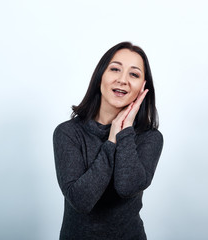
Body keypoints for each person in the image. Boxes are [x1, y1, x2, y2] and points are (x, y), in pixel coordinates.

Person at [53, 41, 163, 240]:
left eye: (134, 74)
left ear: (143, 88)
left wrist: (124, 131)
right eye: (115, 69)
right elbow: (82, 201)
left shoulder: (150, 138)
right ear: (100, 77)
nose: (122, 80)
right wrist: (111, 140)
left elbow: (127, 187)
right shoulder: (68, 133)